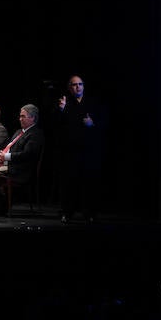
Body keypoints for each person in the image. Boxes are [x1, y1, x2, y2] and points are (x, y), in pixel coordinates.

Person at [0, 103, 44, 217]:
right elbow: (9, 148)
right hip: (6, 164)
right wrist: (2, 154)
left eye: (23, 116)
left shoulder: (35, 134)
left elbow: (28, 154)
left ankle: (1, 206)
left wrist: (7, 156)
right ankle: (2, 202)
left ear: (33, 118)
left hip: (20, 168)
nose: (20, 119)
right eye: (20, 116)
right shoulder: (19, 132)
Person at [55, 75, 108, 224]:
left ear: (84, 86)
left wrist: (93, 124)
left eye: (80, 84)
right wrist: (61, 110)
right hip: (70, 151)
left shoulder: (93, 103)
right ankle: (67, 212)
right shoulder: (65, 103)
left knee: (89, 183)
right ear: (69, 87)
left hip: (89, 150)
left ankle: (89, 213)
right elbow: (58, 127)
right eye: (74, 85)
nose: (77, 87)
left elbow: (104, 123)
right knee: (68, 183)